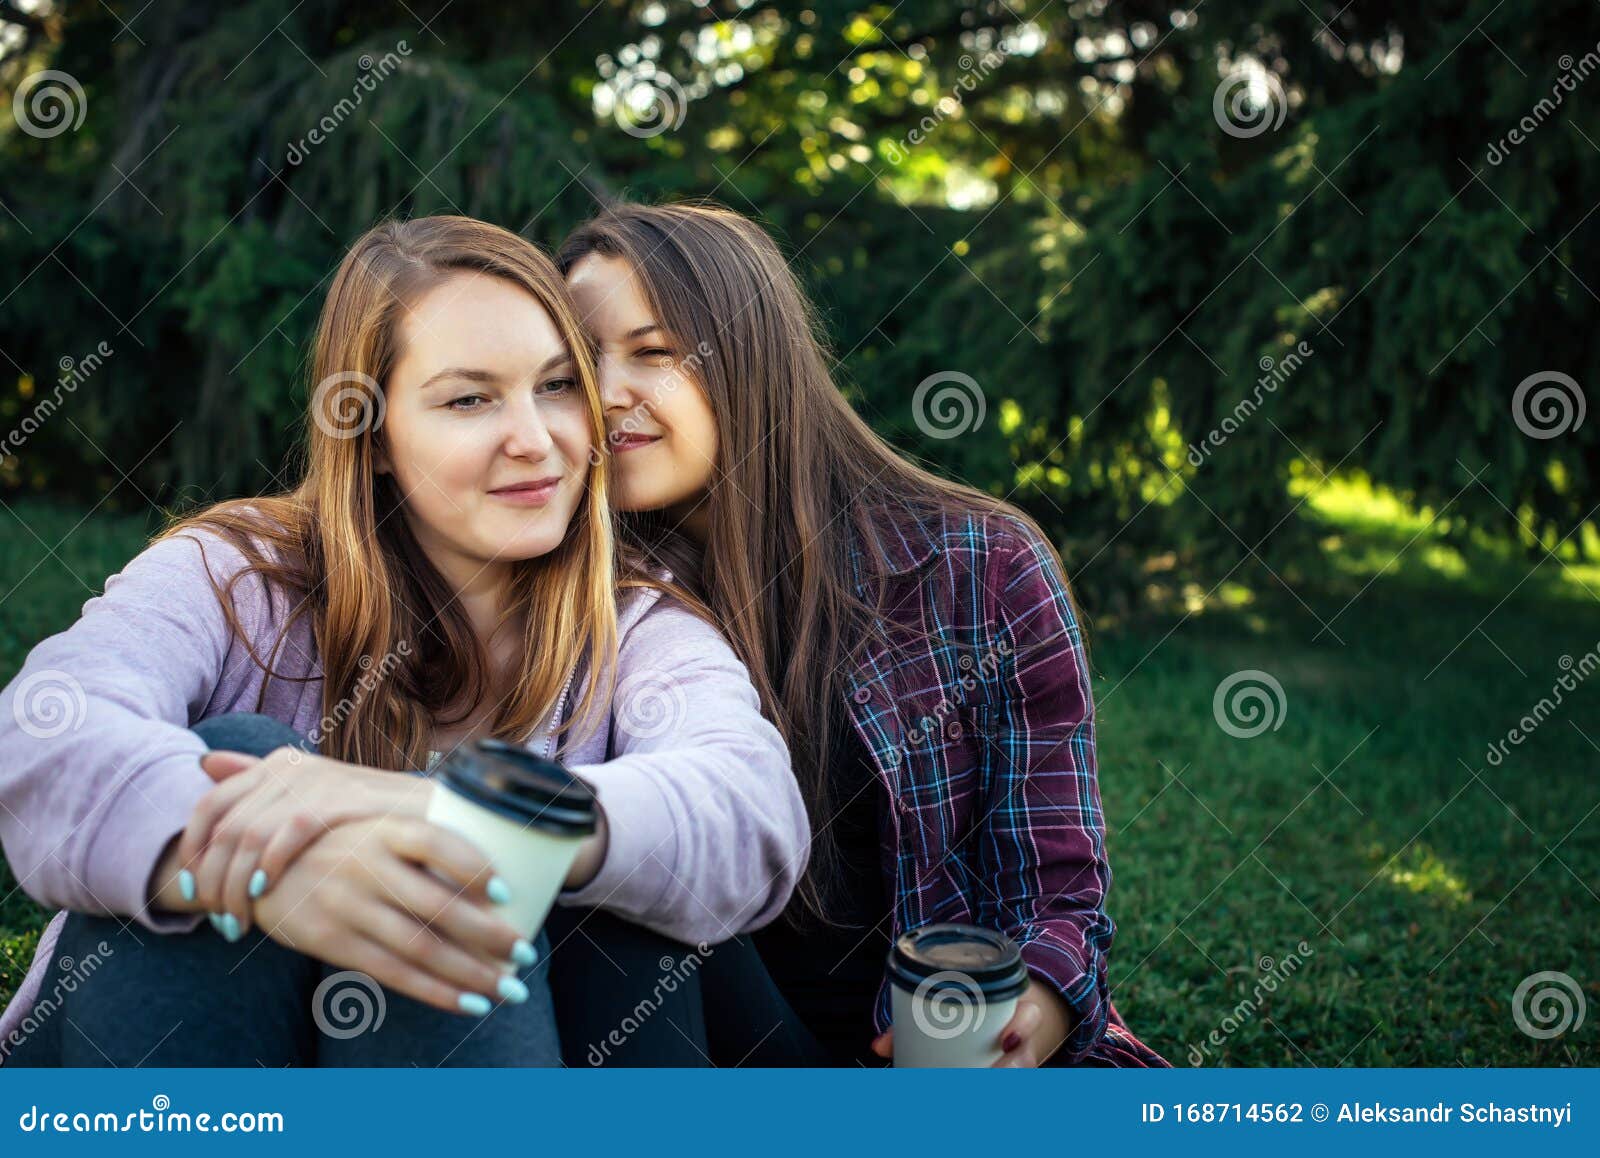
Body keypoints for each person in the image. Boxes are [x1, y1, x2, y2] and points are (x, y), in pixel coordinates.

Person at [0, 215, 806, 1067]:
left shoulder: (636, 624)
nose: (536, 439)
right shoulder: (235, 574)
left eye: (559, 385)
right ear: (373, 435)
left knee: (543, 866)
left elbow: (749, 803)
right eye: (469, 399)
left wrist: (472, 817)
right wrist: (268, 860)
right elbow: (44, 727)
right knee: (237, 753)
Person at [554, 201, 1168, 1067]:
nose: (608, 393)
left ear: (750, 355)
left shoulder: (979, 564)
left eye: (654, 353)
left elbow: (1057, 889)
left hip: (930, 1056)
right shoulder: (571, 586)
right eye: (579, 363)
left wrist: (1036, 999)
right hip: (713, 1048)